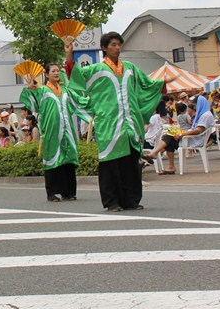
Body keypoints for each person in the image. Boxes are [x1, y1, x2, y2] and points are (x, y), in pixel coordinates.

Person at [66, 32, 169, 211]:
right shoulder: (96, 69)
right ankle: (111, 202)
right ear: (104, 48)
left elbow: (147, 84)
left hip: (130, 122)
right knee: (110, 164)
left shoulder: (130, 68)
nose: (117, 48)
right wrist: (69, 53)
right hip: (109, 123)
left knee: (131, 163)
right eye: (113, 44)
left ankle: (131, 200)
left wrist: (162, 83)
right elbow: (76, 76)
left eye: (119, 44)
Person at [21, 60, 89, 202]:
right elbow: (33, 104)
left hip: (68, 130)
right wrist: (31, 89)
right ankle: (52, 193)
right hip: (52, 131)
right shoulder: (42, 91)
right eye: (53, 71)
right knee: (52, 160)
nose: (57, 73)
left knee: (68, 160)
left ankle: (69, 192)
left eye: (58, 70)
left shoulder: (66, 91)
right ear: (46, 74)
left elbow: (79, 102)